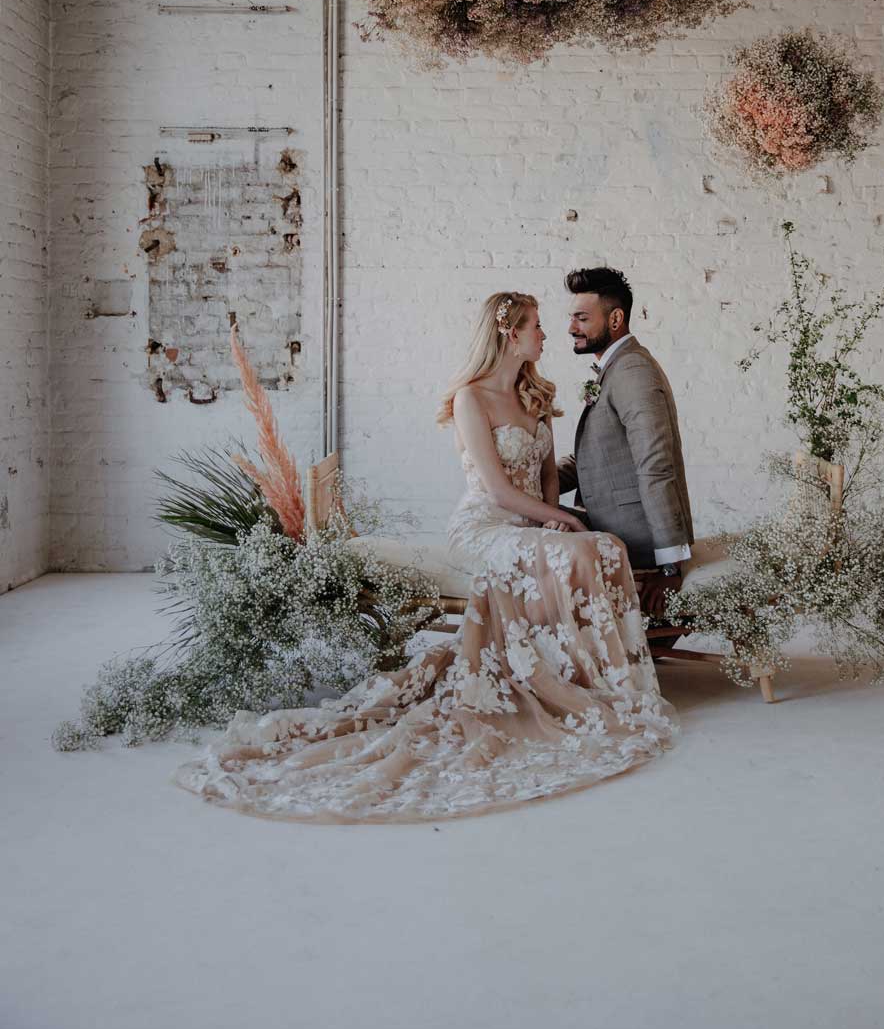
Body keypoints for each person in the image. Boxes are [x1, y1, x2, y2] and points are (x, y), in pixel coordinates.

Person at [176, 291, 674, 823]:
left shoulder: (535, 396)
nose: (547, 335)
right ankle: (573, 684)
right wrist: (564, 522)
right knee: (578, 544)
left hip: (529, 523)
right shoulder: (470, 399)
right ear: (509, 334)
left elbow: (549, 482)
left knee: (604, 546)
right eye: (536, 326)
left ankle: (604, 681)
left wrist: (556, 518)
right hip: (484, 526)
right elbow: (499, 492)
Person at [557, 267, 694, 618]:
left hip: (634, 539)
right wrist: (531, 481)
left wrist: (669, 568)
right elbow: (596, 456)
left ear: (615, 318)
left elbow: (656, 465)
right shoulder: (615, 368)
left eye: (582, 318)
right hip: (607, 523)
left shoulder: (632, 371)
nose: (571, 328)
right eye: (572, 318)